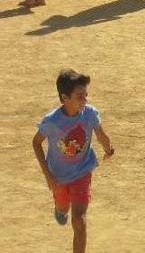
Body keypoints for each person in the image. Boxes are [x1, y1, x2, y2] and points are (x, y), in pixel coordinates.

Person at [32, 70, 115, 253]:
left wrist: (108, 149)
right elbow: (36, 143)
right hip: (59, 177)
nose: (85, 100)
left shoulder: (90, 114)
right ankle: (60, 208)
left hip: (82, 172)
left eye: (86, 95)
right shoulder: (52, 121)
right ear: (64, 97)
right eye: (79, 96)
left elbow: (100, 134)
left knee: (79, 220)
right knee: (63, 208)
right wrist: (48, 175)